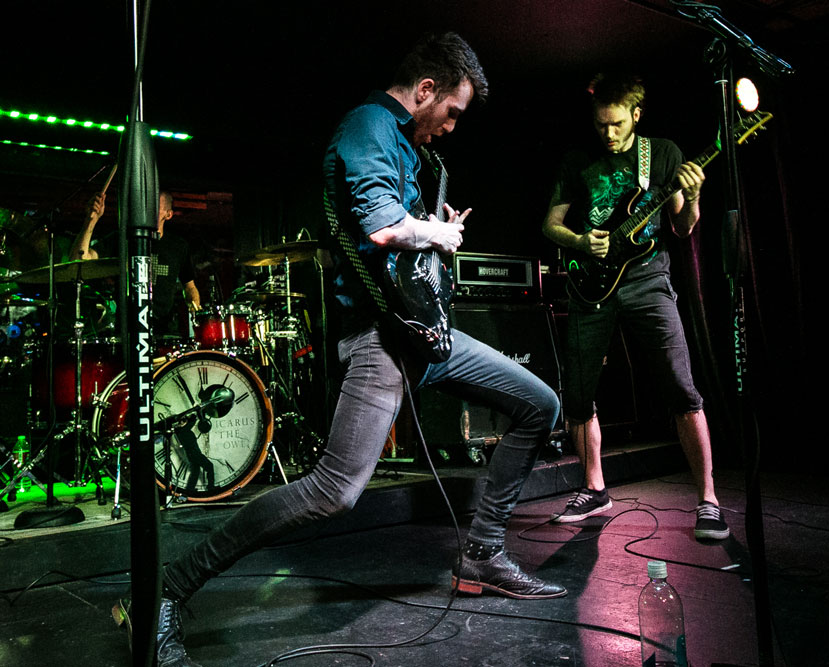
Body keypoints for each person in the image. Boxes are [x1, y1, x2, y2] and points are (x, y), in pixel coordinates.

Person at [114, 32, 564, 667]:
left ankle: (484, 554)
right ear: (426, 89)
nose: (450, 127)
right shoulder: (368, 126)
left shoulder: (407, 147)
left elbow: (405, 238)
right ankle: (165, 588)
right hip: (381, 337)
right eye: (451, 112)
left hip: (425, 336)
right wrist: (437, 235)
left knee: (538, 404)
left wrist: (435, 231)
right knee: (334, 490)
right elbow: (382, 227)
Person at [542, 72, 729, 540]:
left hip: (648, 282)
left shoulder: (662, 154)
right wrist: (580, 241)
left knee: (682, 389)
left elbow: (682, 227)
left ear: (636, 116)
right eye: (601, 124)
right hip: (591, 286)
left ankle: (708, 500)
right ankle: (594, 488)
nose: (608, 133)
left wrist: (695, 196)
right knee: (578, 395)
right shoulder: (578, 160)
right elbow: (551, 224)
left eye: (618, 124)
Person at [69, 190, 201, 334]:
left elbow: (190, 287)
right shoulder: (122, 239)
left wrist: (195, 308)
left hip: (164, 329)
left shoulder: (178, 246)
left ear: (168, 215)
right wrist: (91, 220)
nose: (147, 210)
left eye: (154, 207)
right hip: (127, 328)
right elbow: (79, 260)